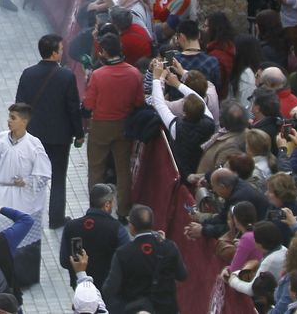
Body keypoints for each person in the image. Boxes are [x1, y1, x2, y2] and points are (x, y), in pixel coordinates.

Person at [0, 103, 52, 285]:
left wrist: (26, 181)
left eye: (13, 118)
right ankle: (8, 277)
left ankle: (27, 278)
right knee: (6, 239)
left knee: (27, 240)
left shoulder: (34, 146)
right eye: (9, 117)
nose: (8, 121)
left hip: (26, 199)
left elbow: (43, 175)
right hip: (5, 196)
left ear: (24, 121)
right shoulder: (2, 140)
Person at [15, 34, 84, 229]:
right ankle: (56, 219)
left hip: (34, 137)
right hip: (59, 138)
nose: (63, 53)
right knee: (58, 178)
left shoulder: (28, 74)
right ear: (54, 53)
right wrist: (79, 134)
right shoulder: (67, 76)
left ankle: (29, 218)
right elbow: (73, 108)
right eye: (61, 50)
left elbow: (20, 106)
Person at [84, 33, 144, 213]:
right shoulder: (134, 73)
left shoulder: (98, 75)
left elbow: (88, 104)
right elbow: (139, 102)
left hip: (100, 126)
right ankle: (123, 210)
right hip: (124, 126)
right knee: (123, 170)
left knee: (96, 169)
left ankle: (97, 208)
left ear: (102, 52)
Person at [102, 204, 186, 314]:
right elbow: (182, 275)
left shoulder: (123, 253)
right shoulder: (169, 247)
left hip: (136, 309)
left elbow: (109, 289)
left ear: (131, 226)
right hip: (166, 308)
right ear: (152, 223)